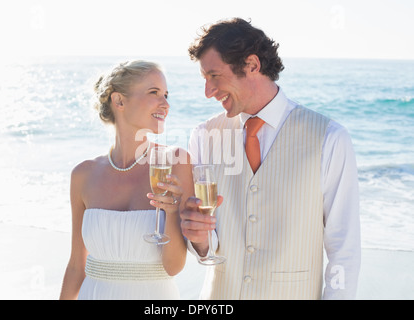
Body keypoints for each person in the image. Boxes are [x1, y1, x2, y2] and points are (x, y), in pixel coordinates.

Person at [181, 18, 361, 299]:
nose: (208, 92)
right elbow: (207, 245)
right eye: (205, 80)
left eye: (214, 76)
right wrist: (199, 239)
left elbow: (344, 247)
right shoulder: (204, 135)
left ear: (252, 65)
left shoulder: (329, 138)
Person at [59, 60, 192, 300]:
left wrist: (171, 213)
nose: (166, 104)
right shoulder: (83, 175)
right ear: (119, 101)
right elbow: (77, 266)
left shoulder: (176, 162)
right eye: (154, 93)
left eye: (166, 95)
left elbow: (174, 267)